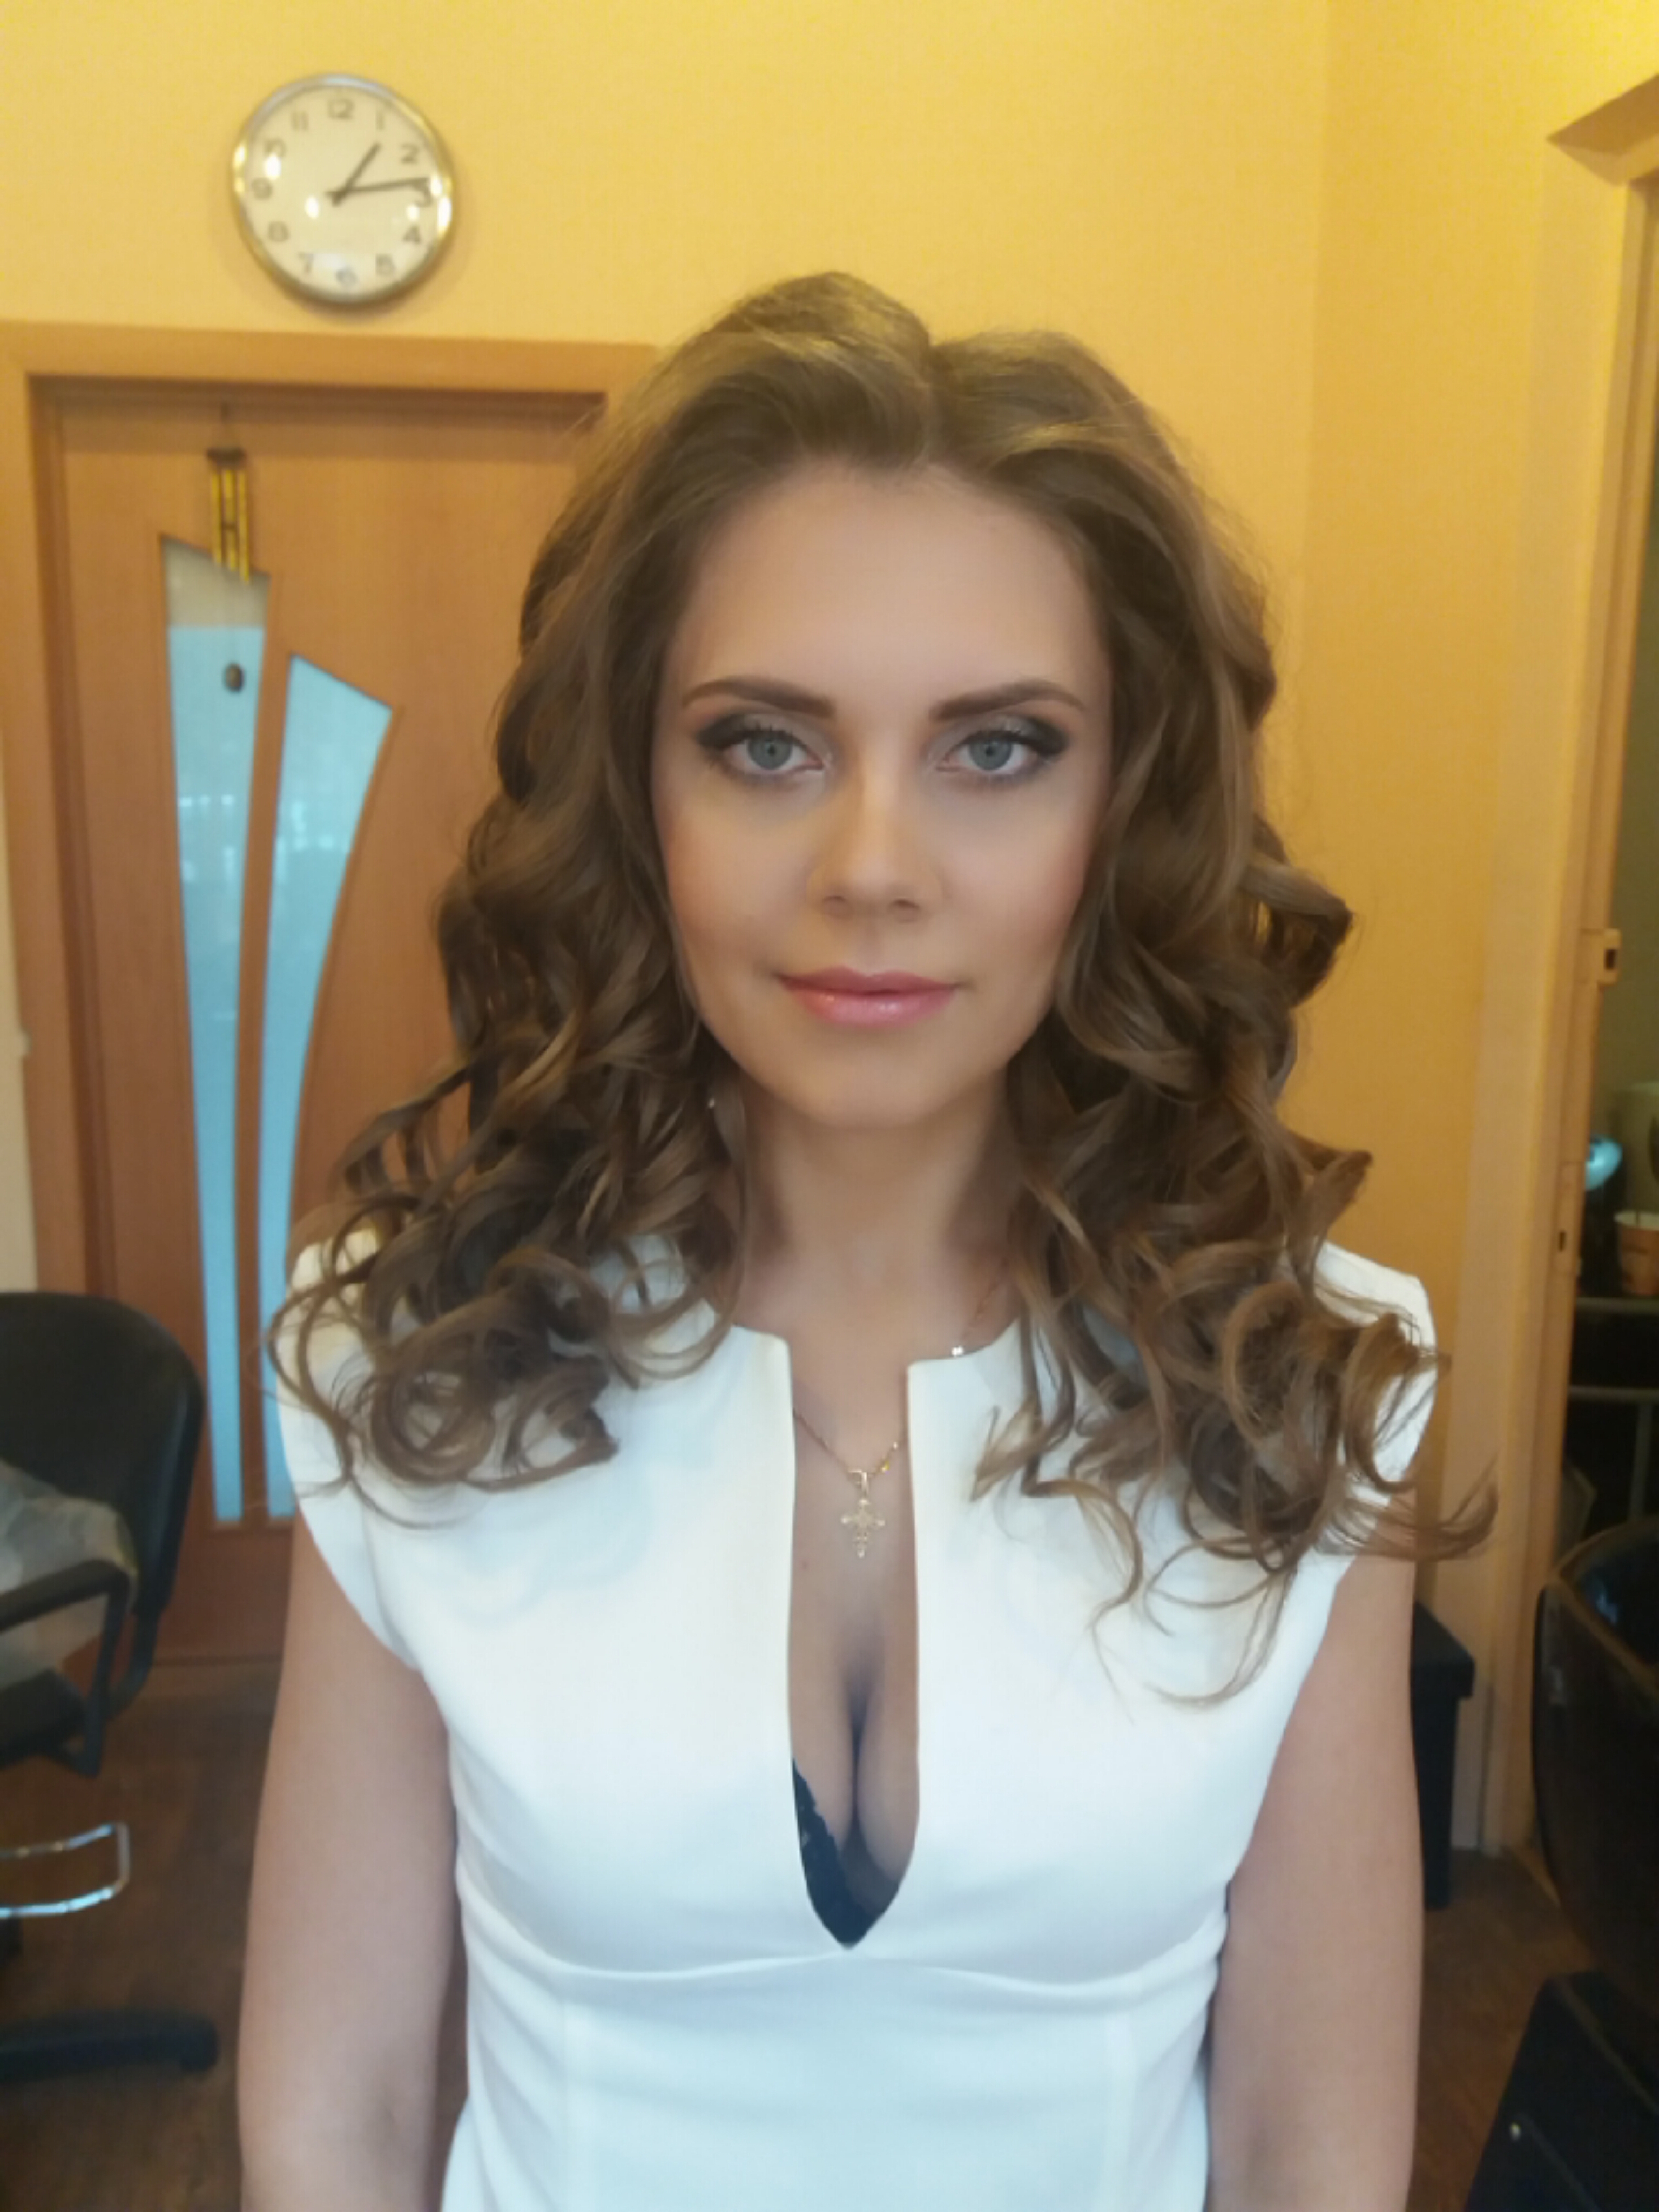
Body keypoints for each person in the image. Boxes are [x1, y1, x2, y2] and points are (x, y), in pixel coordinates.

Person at [237, 271, 1491, 2212]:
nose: (874, 869)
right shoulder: (407, 1352)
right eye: (766, 745)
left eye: (997, 749)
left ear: (1124, 809)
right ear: (638, 794)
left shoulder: (1303, 1375)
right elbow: (342, 2109)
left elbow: (1308, 2144)